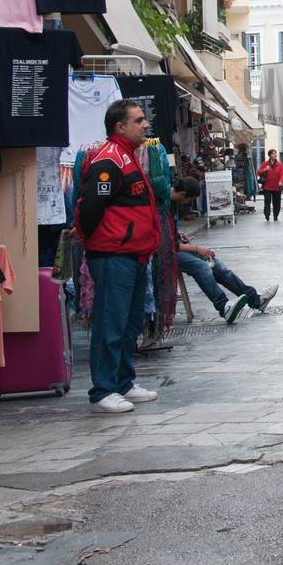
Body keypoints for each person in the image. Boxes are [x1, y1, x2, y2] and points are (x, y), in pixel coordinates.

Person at [77, 99, 162, 414]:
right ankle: (103, 390)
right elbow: (90, 209)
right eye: (139, 120)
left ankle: (124, 382)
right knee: (110, 323)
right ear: (119, 126)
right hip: (114, 255)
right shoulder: (109, 160)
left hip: (134, 254)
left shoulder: (129, 156)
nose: (145, 125)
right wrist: (100, 240)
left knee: (129, 323)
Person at [169, 180, 279, 322]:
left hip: (175, 246)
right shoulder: (162, 204)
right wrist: (195, 248)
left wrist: (177, 232)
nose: (187, 203)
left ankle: (256, 300)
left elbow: (169, 234)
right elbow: (165, 244)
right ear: (183, 194)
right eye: (188, 199)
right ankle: (223, 306)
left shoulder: (173, 203)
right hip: (164, 253)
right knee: (201, 267)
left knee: (214, 264)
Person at [258, 149, 283, 221]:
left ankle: (276, 215)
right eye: (273, 154)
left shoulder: (279, 164)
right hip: (267, 186)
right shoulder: (265, 163)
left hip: (277, 187)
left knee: (277, 202)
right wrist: (264, 170)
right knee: (267, 201)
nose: (275, 155)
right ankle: (267, 215)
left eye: (275, 154)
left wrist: (281, 181)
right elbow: (258, 172)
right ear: (269, 155)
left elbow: (282, 174)